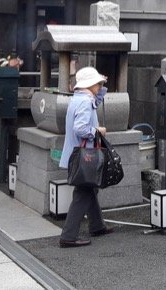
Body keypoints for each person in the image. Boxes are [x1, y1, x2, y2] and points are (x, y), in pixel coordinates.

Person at [58, 66, 114, 248]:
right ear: (89, 84)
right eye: (97, 83)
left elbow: (98, 97)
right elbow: (80, 129)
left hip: (78, 155)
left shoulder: (78, 99)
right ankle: (68, 236)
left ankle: (97, 226)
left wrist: (100, 84)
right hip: (86, 157)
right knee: (83, 193)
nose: (100, 85)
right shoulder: (85, 102)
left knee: (89, 189)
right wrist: (97, 130)